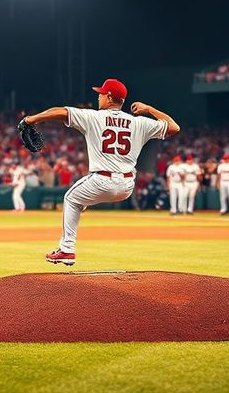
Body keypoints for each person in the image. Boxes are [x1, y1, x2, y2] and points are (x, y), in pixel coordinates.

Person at [19, 78, 179, 265]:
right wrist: (149, 109)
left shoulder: (93, 117)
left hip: (102, 180)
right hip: (127, 187)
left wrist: (31, 119)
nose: (99, 96)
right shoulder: (140, 123)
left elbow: (61, 111)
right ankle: (74, 228)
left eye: (101, 93)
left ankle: (67, 249)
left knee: (71, 198)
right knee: (79, 201)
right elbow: (174, 127)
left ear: (110, 97)